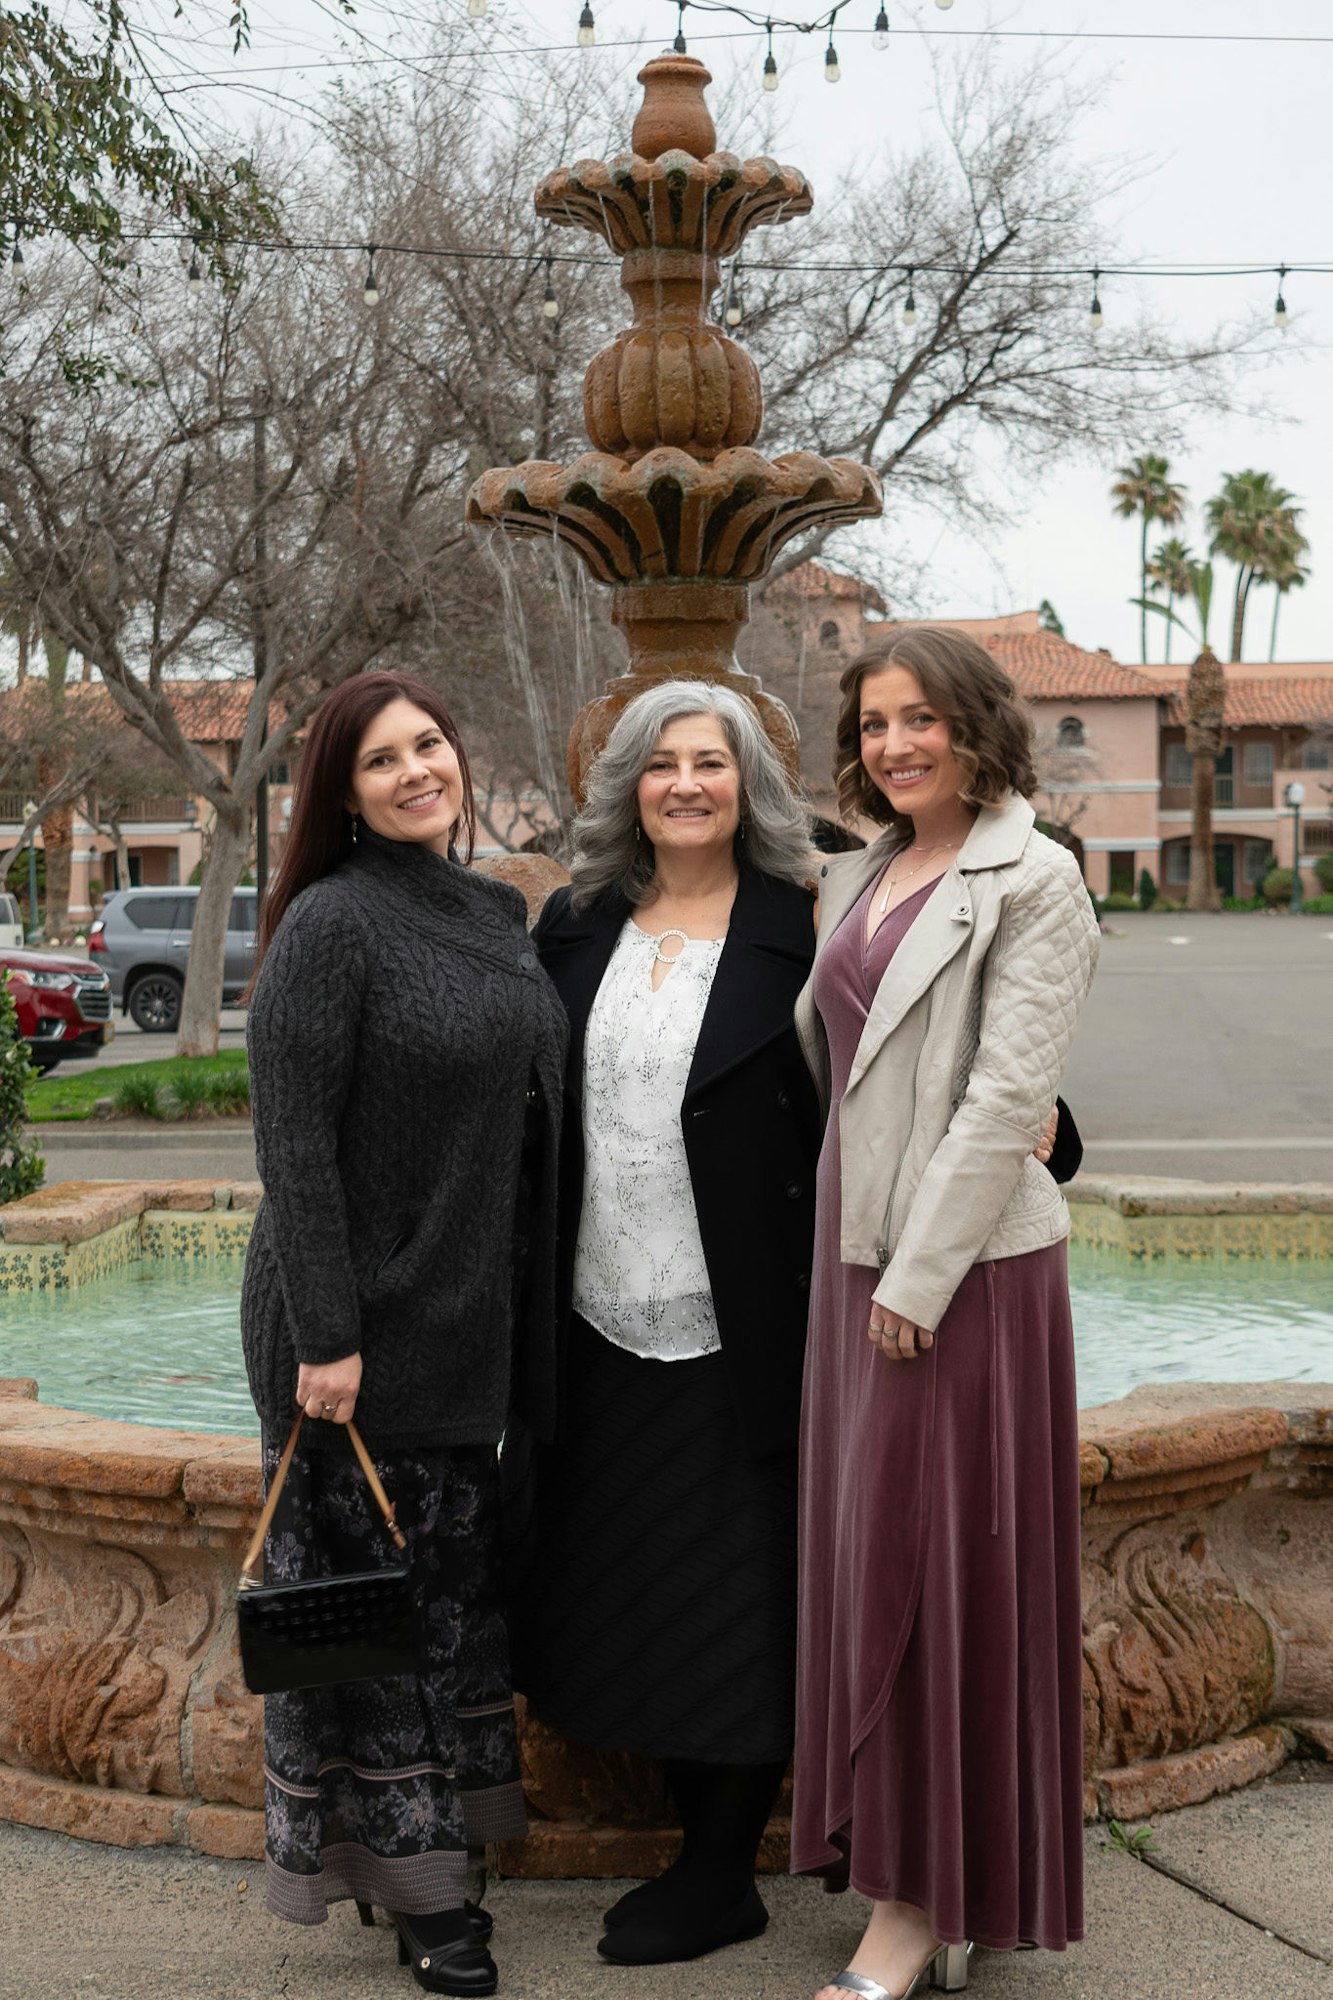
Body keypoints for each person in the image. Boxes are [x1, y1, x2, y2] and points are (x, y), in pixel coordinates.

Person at [241, 670, 567, 1998]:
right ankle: (425, 1899)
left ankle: (442, 1850)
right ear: (343, 792)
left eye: (429, 743)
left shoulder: (493, 910)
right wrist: (327, 1335)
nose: (416, 771)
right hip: (347, 1338)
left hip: (459, 1325)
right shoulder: (329, 924)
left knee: (442, 1607)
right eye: (381, 760)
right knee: (368, 1624)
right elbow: (293, 1146)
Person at [790, 626, 1100, 2000]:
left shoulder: (1033, 878)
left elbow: (1000, 1097)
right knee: (873, 1570)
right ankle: (929, 1871)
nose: (894, 743)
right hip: (850, 1262)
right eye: (871, 724)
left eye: (919, 718)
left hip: (960, 1279)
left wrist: (917, 1279)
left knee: (934, 1578)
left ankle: (915, 1911)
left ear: (974, 724)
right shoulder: (853, 874)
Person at [503, 680, 825, 1968]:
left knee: (743, 1588)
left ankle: (719, 1870)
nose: (685, 784)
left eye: (713, 762)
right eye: (661, 764)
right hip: (594, 1312)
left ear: (751, 785)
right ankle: (686, 1843)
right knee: (631, 1579)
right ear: (627, 785)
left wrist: (1046, 1127)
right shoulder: (576, 924)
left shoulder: (807, 925)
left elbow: (913, 1058)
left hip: (748, 1315)